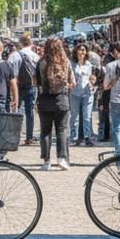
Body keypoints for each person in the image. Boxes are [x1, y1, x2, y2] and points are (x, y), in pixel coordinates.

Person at [35, 37, 74, 170]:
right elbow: (73, 82)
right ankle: (61, 159)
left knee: (45, 131)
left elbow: (35, 82)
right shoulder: (65, 62)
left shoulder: (41, 62)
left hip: (44, 100)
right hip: (61, 100)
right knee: (62, 130)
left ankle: (46, 161)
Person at [14, 35, 41, 145]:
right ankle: (29, 137)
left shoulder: (16, 55)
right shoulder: (36, 56)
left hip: (19, 87)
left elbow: (13, 72)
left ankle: (16, 136)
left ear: (21, 43)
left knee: (18, 111)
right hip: (32, 86)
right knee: (30, 113)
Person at [69, 43, 95, 146]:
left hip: (88, 93)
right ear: (76, 52)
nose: (82, 52)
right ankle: (74, 137)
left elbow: (94, 78)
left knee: (87, 116)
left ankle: (88, 137)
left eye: (84, 50)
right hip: (75, 93)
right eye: (80, 50)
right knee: (74, 116)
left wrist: (93, 81)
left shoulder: (89, 65)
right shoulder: (72, 64)